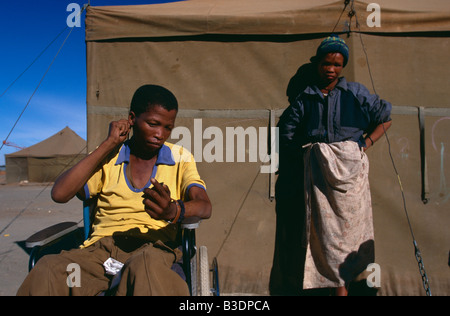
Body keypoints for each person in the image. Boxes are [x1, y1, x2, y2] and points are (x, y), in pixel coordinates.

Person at [17, 84, 212, 296]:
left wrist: (173, 211)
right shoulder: (108, 156)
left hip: (154, 249)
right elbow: (60, 194)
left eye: (167, 127)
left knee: (144, 271)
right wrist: (108, 144)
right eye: (153, 124)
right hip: (100, 256)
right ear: (132, 119)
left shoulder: (180, 157)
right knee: (49, 270)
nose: (160, 134)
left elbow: (204, 206)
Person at [275, 35, 392, 296]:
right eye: (326, 63)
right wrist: (306, 155)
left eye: (337, 65)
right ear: (318, 64)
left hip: (351, 174)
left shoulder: (356, 93)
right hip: (320, 174)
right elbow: (288, 134)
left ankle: (346, 287)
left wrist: (366, 143)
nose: (331, 69)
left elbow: (385, 118)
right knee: (325, 235)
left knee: (350, 235)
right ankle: (334, 289)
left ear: (343, 67)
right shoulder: (305, 98)